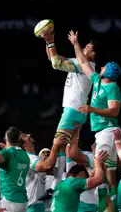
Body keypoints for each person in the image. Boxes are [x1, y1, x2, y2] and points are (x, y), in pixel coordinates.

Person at [40, 28, 98, 200]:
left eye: (88, 48)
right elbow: (54, 59)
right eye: (85, 46)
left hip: (72, 110)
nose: (85, 49)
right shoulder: (79, 63)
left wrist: (52, 42)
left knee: (56, 144)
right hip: (77, 111)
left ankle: (53, 185)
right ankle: (60, 182)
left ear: (93, 55)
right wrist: (48, 41)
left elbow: (57, 63)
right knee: (68, 149)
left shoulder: (87, 66)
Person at [68, 30, 121, 211]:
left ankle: (106, 208)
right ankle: (110, 206)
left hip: (107, 130)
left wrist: (92, 109)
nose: (101, 67)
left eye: (105, 67)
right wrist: (75, 43)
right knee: (109, 175)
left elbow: (114, 111)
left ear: (110, 72)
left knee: (104, 175)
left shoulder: (112, 87)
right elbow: (83, 62)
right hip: (103, 133)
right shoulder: (98, 82)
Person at [0, 127, 30, 212]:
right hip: (23, 202)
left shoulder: (7, 153)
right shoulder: (25, 154)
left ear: (5, 139)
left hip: (10, 201)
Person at [20, 133, 67, 212]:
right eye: (25, 136)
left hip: (39, 206)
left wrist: (61, 151)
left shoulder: (34, 159)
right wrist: (55, 146)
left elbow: (57, 171)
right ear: (24, 144)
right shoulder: (28, 158)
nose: (29, 134)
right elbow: (48, 166)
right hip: (31, 206)